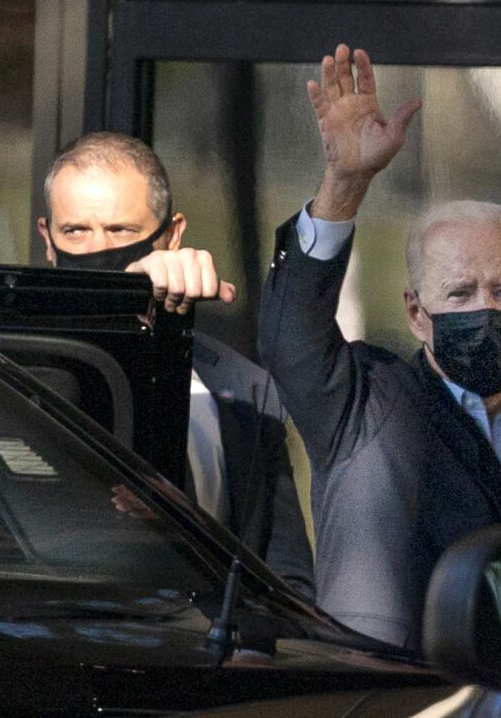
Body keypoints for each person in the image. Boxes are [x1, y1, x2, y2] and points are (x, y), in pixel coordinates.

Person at [259, 45, 501, 648]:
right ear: (415, 313)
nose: (484, 309)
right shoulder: (362, 410)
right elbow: (289, 333)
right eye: (459, 293)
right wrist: (345, 184)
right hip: (385, 714)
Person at [38, 131, 314, 599]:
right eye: (76, 231)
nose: (97, 250)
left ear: (172, 235)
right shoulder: (17, 365)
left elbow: (288, 583)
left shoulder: (245, 388)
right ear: (48, 239)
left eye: (121, 231)